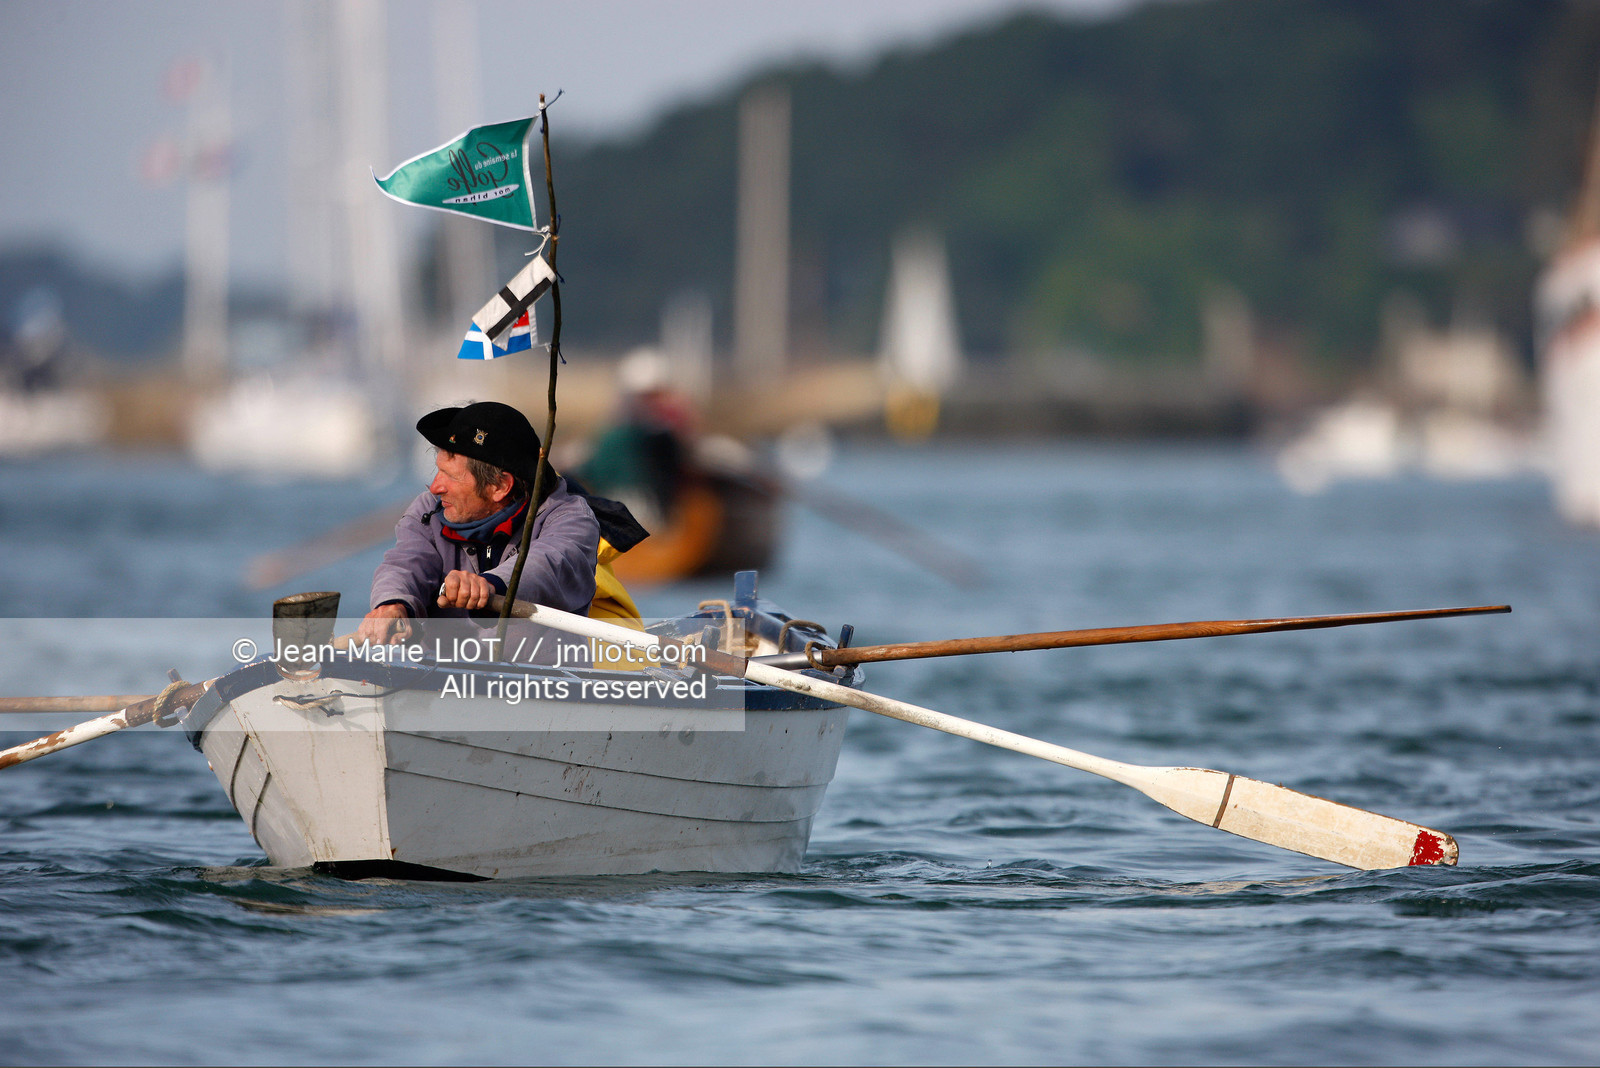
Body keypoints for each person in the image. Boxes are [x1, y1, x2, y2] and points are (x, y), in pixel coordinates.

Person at [358, 401, 600, 648]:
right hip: (440, 678)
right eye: (438, 470)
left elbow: (547, 563)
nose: (435, 487)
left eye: (451, 476)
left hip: (542, 681)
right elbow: (404, 564)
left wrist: (489, 584)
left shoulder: (571, 518)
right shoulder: (428, 510)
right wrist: (393, 603)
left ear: (499, 486)